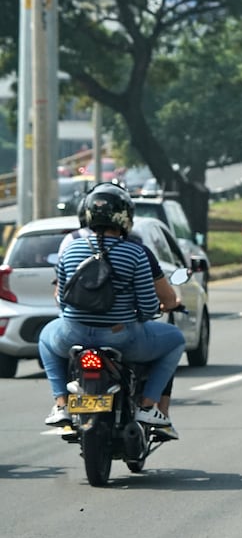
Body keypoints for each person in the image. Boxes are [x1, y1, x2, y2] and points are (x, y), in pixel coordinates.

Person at [40, 183, 187, 436]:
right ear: (125, 217)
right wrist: (140, 315)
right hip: (120, 336)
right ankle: (148, 406)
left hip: (71, 335)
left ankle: (61, 406)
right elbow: (149, 305)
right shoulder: (136, 253)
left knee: (44, 338)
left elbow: (62, 300)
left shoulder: (70, 249)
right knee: (175, 339)